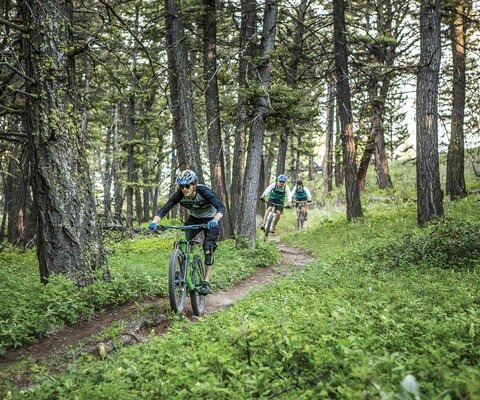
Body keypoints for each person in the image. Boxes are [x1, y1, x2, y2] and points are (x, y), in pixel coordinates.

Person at [148, 169, 225, 295]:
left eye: (187, 186)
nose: (184, 189)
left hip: (211, 220)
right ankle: (180, 270)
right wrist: (154, 222)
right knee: (182, 240)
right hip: (195, 219)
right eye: (181, 186)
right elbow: (164, 209)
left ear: (194, 185)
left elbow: (221, 207)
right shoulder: (179, 194)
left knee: (208, 248)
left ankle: (206, 281)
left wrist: (216, 219)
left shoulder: (204, 191)